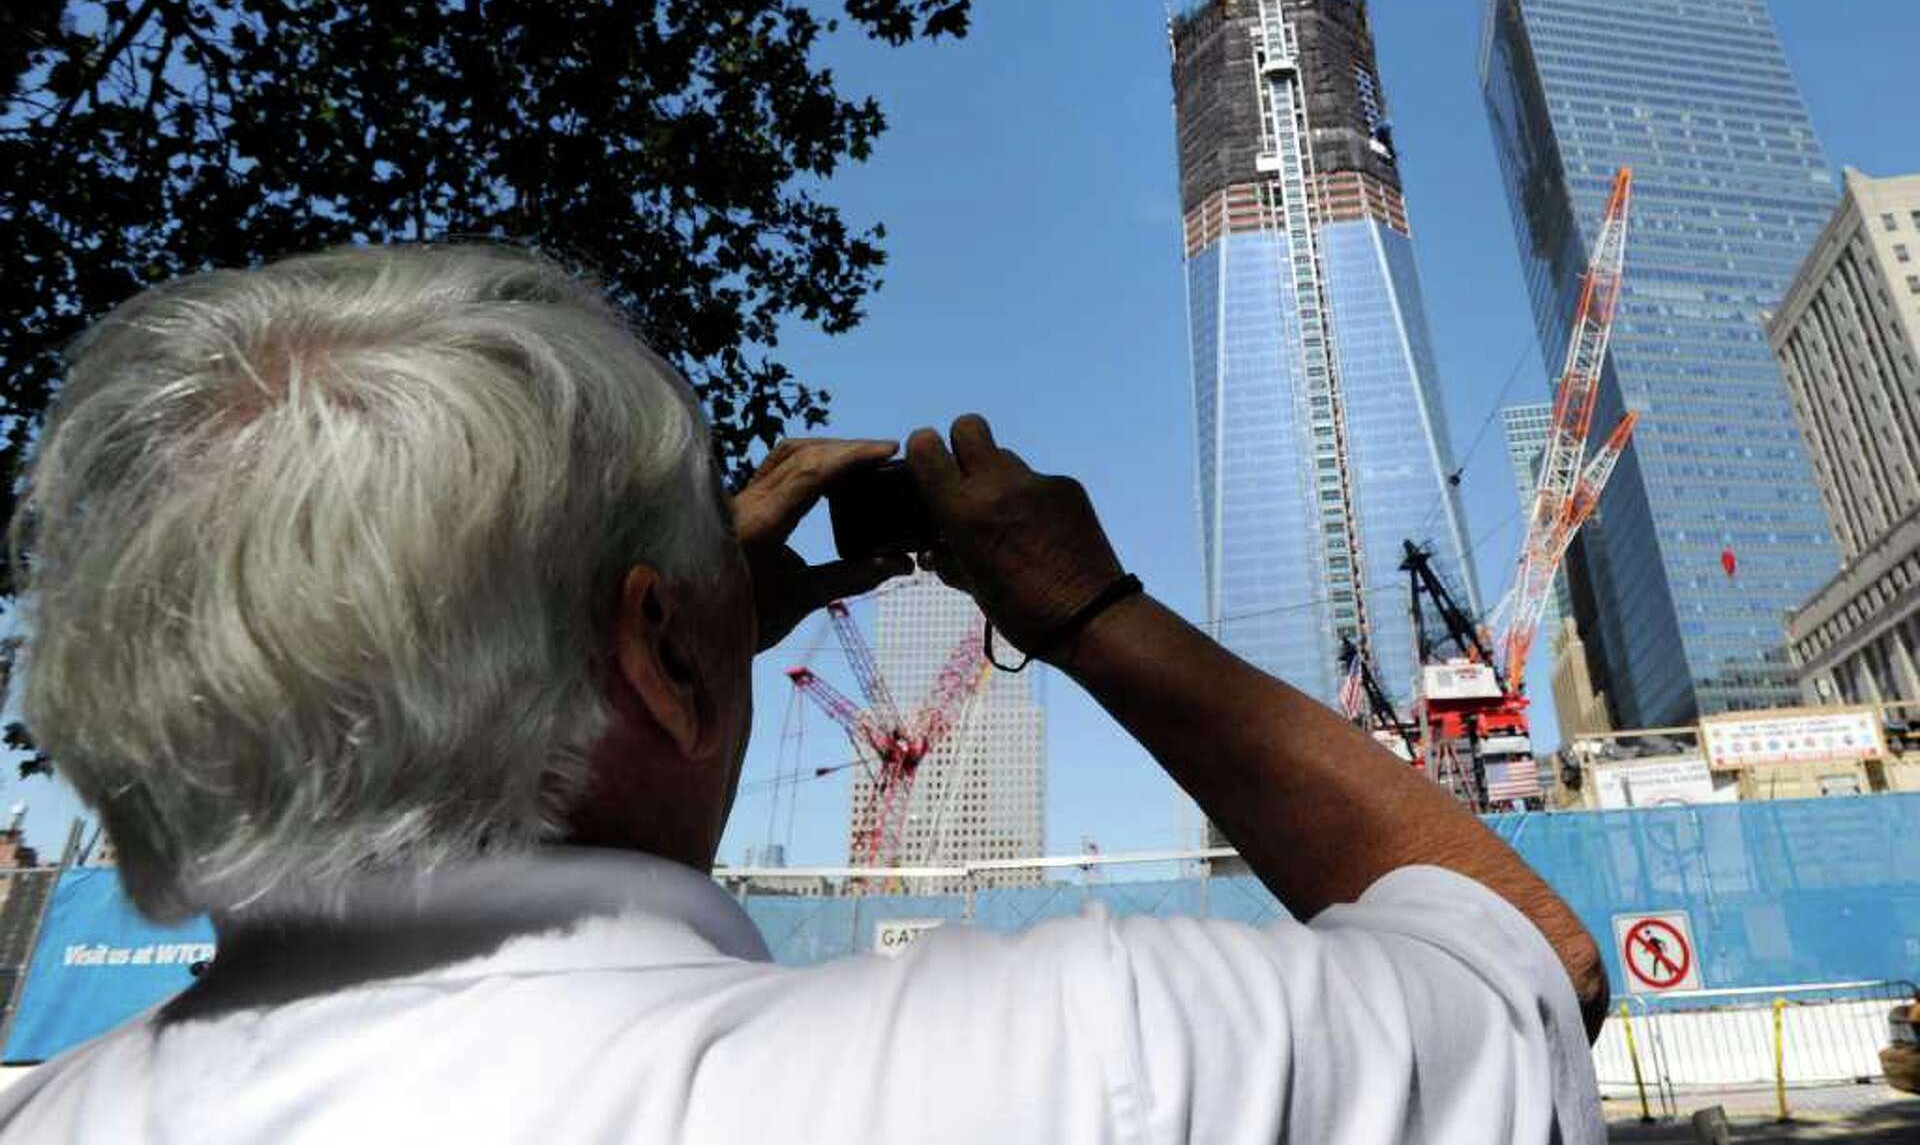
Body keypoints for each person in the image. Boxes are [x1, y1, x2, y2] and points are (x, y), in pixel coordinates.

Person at [2, 243, 1607, 1144]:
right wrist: (1090, 611)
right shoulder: (1069, 1063)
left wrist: (679, 636)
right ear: (660, 651)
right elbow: (1522, 970)